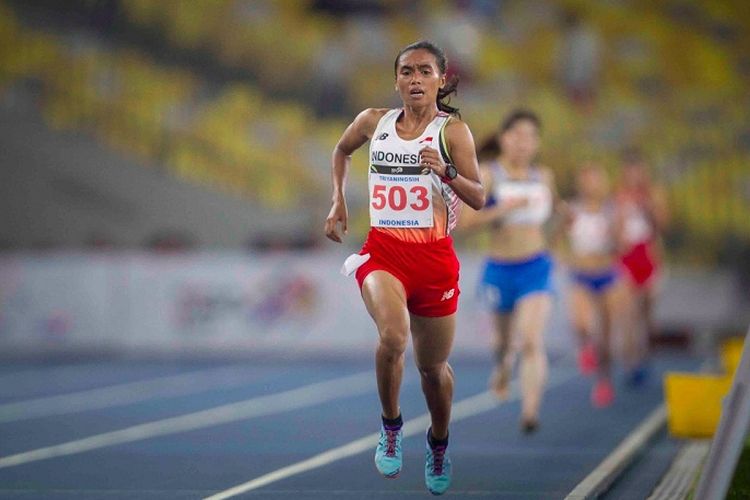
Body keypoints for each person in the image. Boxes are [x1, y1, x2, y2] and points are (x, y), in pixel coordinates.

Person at [324, 40, 484, 495]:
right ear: (396, 79)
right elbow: (341, 151)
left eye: (425, 72)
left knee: (433, 369)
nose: (415, 80)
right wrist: (338, 199)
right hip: (384, 252)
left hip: (434, 259)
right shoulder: (374, 122)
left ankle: (437, 441)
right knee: (393, 337)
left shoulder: (453, 132)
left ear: (441, 80)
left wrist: (448, 173)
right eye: (407, 72)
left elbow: (480, 196)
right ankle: (391, 427)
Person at [459, 109, 559, 433]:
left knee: (530, 339)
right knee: (503, 343)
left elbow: (553, 215)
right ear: (504, 138)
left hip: (535, 266)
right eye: (517, 135)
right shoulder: (488, 174)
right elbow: (466, 222)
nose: (523, 143)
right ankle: (502, 366)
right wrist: (503, 209)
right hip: (500, 268)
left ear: (537, 143)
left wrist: (564, 222)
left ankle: (530, 412)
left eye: (530, 137)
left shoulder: (543, 177)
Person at [564, 164, 626, 407]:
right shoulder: (572, 209)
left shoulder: (612, 211)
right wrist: (565, 257)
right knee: (581, 324)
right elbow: (557, 238)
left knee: (606, 338)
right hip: (581, 273)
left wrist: (614, 235)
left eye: (595, 180)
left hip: (607, 274)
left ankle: (603, 381)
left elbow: (621, 245)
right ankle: (585, 346)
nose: (591, 185)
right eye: (586, 180)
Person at [615, 149, 669, 386]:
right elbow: (614, 229)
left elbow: (663, 224)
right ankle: (630, 363)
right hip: (626, 258)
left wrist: (648, 207)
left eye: (638, 172)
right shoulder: (618, 196)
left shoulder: (653, 194)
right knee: (628, 314)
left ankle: (644, 356)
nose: (634, 176)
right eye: (630, 172)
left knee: (646, 316)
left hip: (649, 257)